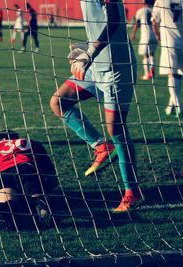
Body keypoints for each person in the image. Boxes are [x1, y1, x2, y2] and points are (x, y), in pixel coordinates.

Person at [49, 0, 143, 213]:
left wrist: (88, 54)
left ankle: (132, 192)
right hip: (94, 66)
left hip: (117, 68)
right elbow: (99, 26)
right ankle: (101, 147)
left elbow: (115, 21)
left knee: (116, 128)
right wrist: (85, 47)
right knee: (59, 102)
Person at [0, 130, 57, 230]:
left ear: (3, 139)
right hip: (25, 167)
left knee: (6, 197)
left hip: (1, 173)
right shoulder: (29, 143)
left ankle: (1, 211)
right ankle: (41, 205)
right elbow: (50, 173)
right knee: (34, 193)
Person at [151, 0, 183, 117]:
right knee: (178, 73)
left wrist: (157, 35)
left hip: (169, 41)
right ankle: (171, 105)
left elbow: (154, 21)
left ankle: (177, 105)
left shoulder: (160, 1)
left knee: (172, 73)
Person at [131, 0, 158, 80]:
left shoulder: (140, 11)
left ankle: (147, 74)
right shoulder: (153, 10)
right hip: (154, 35)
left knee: (145, 55)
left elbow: (137, 24)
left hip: (145, 35)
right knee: (152, 54)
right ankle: (152, 69)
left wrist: (133, 34)